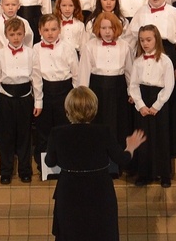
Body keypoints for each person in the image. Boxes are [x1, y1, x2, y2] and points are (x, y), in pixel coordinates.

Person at [45, 87, 148, 241]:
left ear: (68, 109)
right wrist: (130, 147)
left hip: (69, 192)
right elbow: (122, 159)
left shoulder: (57, 133)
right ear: (93, 108)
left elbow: (50, 161)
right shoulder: (104, 132)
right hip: (100, 192)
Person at [0, 17, 37, 183]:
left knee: (25, 135)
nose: (16, 37)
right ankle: (6, 172)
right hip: (5, 98)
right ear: (6, 35)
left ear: (24, 34)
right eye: (12, 34)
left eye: (19, 34)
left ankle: (25, 170)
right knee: (5, 136)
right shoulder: (0, 54)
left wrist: (38, 101)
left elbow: (36, 78)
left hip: (25, 97)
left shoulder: (31, 53)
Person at [127, 24, 175, 187]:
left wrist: (156, 105)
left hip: (158, 101)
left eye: (148, 40)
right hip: (142, 99)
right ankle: (144, 174)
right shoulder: (138, 61)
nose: (145, 43)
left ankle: (164, 174)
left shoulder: (165, 60)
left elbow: (169, 86)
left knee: (160, 137)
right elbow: (133, 85)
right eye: (142, 40)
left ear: (156, 40)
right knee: (142, 138)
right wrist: (140, 105)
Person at [78, 12, 134, 146]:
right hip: (97, 89)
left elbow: (129, 72)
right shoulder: (89, 46)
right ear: (98, 29)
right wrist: (83, 95)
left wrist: (131, 92)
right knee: (98, 124)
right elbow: (84, 72)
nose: (107, 32)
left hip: (118, 88)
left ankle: (117, 162)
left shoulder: (125, 46)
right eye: (104, 28)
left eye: (111, 28)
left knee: (118, 124)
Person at [33, 15, 79, 176]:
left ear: (60, 30)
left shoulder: (68, 48)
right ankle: (45, 168)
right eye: (46, 30)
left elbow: (76, 74)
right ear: (39, 31)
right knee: (44, 132)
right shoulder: (35, 49)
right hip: (45, 91)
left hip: (65, 91)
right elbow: (36, 76)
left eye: (53, 29)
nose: (50, 33)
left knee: (65, 129)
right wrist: (38, 101)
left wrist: (75, 98)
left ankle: (66, 165)